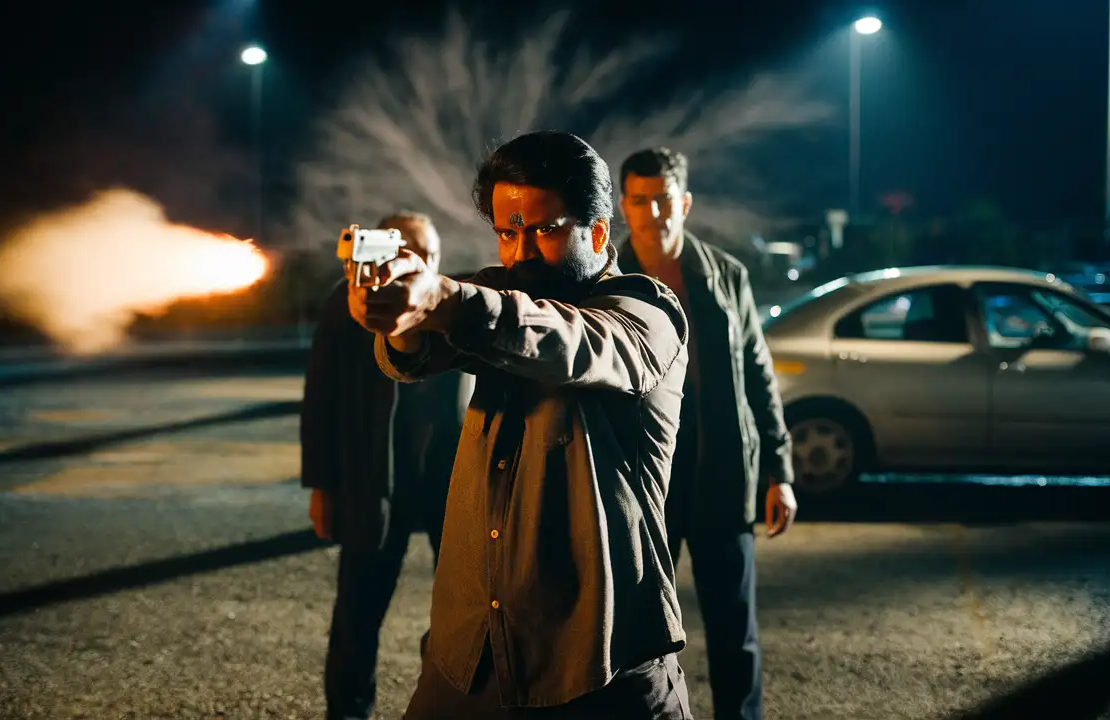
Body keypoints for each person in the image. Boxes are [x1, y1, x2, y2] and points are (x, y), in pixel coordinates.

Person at [347, 130, 694, 719]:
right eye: (508, 232)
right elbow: (416, 355)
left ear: (600, 232)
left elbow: (573, 341)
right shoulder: (503, 291)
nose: (521, 252)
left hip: (598, 657)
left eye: (547, 230)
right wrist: (399, 315)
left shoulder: (647, 309)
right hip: (472, 651)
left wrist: (444, 302)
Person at [615, 147, 797, 720]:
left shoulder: (724, 276)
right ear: (624, 205)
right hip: (643, 482)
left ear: (684, 203)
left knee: (733, 633)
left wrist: (780, 472)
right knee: (637, 632)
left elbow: (758, 376)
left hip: (721, 473)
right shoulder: (607, 278)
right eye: (640, 200)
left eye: (663, 199)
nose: (653, 214)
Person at [301, 210, 473, 720]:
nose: (423, 263)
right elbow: (321, 398)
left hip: (446, 480)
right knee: (357, 615)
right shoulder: (349, 300)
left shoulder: (447, 296)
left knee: (466, 616)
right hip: (377, 480)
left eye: (432, 255)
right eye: (412, 251)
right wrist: (322, 486)